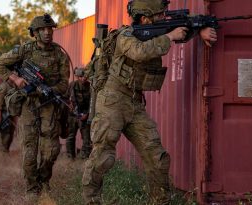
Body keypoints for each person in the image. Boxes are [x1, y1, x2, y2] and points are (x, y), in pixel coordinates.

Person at [81, 0, 217, 204]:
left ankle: (160, 201)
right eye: (160, 15)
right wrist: (170, 36)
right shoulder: (125, 36)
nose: (165, 18)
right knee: (103, 156)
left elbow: (181, 32)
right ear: (145, 18)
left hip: (135, 102)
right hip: (112, 100)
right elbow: (140, 51)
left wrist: (200, 29)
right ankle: (91, 200)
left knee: (157, 157)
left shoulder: (157, 32)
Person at [0, 13, 70, 201]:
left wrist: (50, 90)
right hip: (28, 105)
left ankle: (44, 180)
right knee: (29, 150)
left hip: (48, 105)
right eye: (42, 29)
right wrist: (16, 79)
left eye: (50, 29)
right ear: (34, 33)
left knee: (52, 150)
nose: (47, 32)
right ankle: (31, 188)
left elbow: (64, 83)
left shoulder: (59, 54)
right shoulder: (24, 51)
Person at [66, 67, 92, 159]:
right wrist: (69, 104)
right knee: (70, 137)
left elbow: (92, 103)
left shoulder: (90, 87)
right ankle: (70, 157)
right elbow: (65, 98)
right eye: (80, 77)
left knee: (86, 139)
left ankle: (84, 158)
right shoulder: (72, 85)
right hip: (72, 116)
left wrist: (87, 114)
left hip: (84, 116)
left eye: (84, 76)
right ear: (77, 77)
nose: (83, 78)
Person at [0, 81, 16, 153]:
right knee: (5, 135)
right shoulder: (4, 86)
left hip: (12, 114)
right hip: (4, 115)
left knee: (11, 135)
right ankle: (3, 152)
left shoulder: (14, 85)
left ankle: (6, 150)